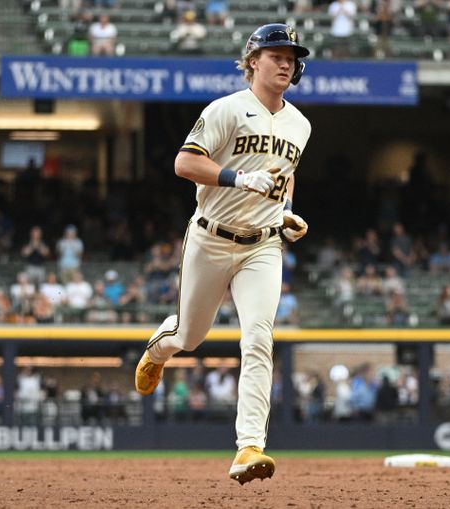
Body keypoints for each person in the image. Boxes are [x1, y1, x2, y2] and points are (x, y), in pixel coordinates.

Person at [134, 23, 311, 485]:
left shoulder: (300, 124)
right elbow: (184, 163)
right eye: (276, 54)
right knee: (189, 337)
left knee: (258, 337)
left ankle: (249, 446)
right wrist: (238, 178)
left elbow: (284, 173)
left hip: (263, 245)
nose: (286, 62)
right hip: (211, 237)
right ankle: (159, 349)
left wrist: (287, 211)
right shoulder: (226, 109)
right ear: (253, 60)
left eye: (291, 56)